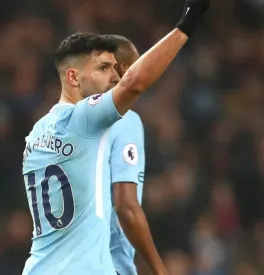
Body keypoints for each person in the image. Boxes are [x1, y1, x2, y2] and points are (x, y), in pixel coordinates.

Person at [21, 0, 210, 273]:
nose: (114, 77)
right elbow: (135, 83)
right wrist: (186, 25)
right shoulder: (84, 119)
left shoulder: (37, 133)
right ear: (73, 78)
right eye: (103, 68)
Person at [106, 34, 165, 275]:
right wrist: (159, 270)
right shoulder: (124, 120)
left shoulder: (59, 123)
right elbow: (126, 207)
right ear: (125, 69)